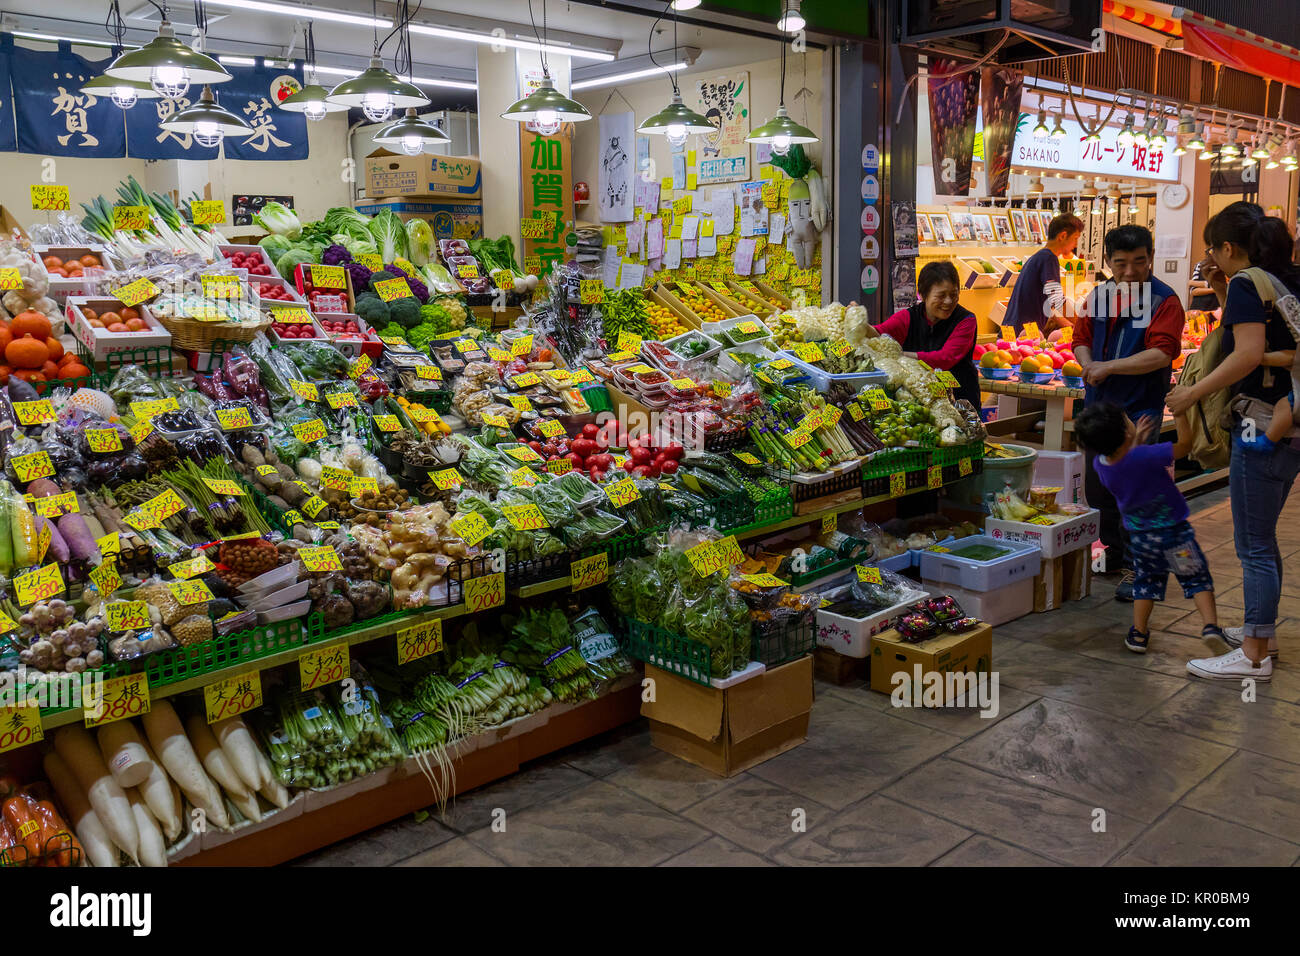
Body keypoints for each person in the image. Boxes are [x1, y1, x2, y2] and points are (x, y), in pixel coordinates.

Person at [1167, 202, 1300, 681]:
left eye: (1213, 250)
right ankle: (1264, 639)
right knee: (1263, 539)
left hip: (1258, 425)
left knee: (1253, 547)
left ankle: (1251, 656)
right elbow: (1267, 342)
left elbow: (1246, 355)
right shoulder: (1286, 279)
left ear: (1228, 248)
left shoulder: (1248, 282)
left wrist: (1191, 394)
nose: (1211, 259)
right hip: (1290, 424)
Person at [1072, 224, 1185, 601]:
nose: (1131, 271)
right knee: (1099, 487)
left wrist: (1109, 367)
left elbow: (1162, 353)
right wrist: (1088, 362)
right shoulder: (1099, 295)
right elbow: (1080, 339)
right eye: (1121, 263)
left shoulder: (1164, 301)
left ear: (1150, 258)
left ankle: (1142, 568)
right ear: (1108, 262)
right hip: (1098, 410)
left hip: (1139, 411)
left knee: (1137, 492)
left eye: (1139, 262)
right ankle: (1114, 557)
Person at [1073, 402, 1222, 653]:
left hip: (1142, 540)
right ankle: (1210, 627)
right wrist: (1180, 412)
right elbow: (1185, 445)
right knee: (1195, 577)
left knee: (1146, 582)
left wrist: (1136, 440)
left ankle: (1139, 634)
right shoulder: (1146, 455)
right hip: (1175, 536)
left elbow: (1127, 462)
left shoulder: (1101, 465)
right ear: (1125, 433)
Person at [872, 260, 980, 409]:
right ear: (922, 295)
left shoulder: (966, 320)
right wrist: (856, 320)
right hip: (919, 403)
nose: (948, 301)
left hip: (961, 402)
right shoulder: (908, 317)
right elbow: (877, 333)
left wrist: (899, 355)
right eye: (941, 296)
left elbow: (944, 358)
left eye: (954, 295)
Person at [1002, 213, 1083, 334]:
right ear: (1063, 236)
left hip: (1011, 331)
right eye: (1075, 238)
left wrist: (1067, 325)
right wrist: (1081, 326)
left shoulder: (1039, 257)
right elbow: (1058, 300)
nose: (1076, 245)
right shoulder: (1049, 258)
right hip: (1023, 333)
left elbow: (1048, 305)